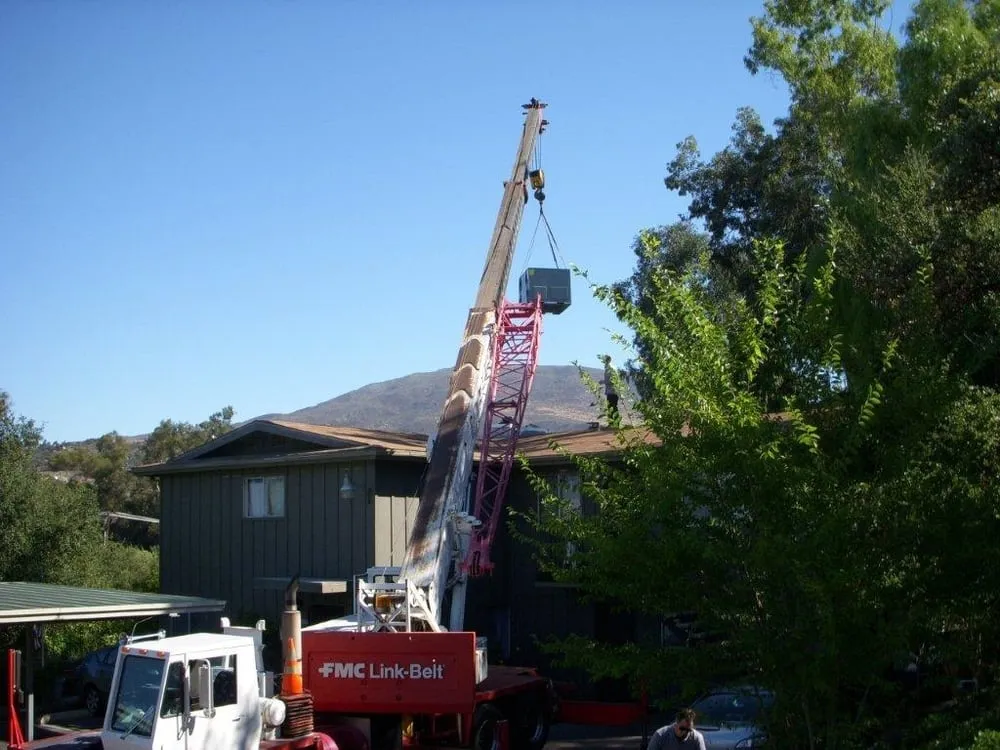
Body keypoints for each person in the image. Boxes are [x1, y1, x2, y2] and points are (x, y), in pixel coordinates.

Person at [601, 355, 620, 420]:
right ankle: (614, 423)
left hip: (612, 391)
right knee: (612, 407)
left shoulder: (609, 368)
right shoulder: (612, 368)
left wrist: (603, 382)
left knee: (611, 407)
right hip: (612, 391)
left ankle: (614, 423)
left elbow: (612, 380)